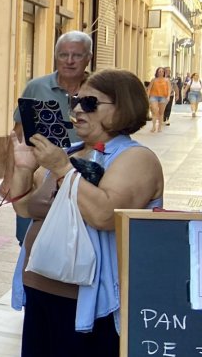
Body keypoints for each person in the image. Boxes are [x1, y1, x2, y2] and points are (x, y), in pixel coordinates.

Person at [9, 69, 164, 356]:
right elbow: (25, 207)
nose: (78, 109)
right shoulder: (72, 151)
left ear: (123, 108)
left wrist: (61, 169)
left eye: (91, 103)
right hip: (41, 286)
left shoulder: (136, 158)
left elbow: (105, 215)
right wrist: (23, 168)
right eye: (76, 101)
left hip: (89, 301)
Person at [0, 31, 90, 243]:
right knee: (29, 237)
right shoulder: (37, 87)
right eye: (63, 55)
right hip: (37, 176)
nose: (69, 61)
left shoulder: (98, 89)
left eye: (76, 55)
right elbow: (18, 135)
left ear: (88, 58)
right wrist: (9, 178)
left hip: (82, 177)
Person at [147, 67, 171, 133]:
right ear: (157, 72)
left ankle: (159, 127)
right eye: (159, 71)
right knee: (154, 111)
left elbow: (169, 89)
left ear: (164, 73)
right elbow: (149, 89)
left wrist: (168, 96)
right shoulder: (153, 80)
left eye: (162, 71)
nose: (160, 72)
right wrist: (147, 96)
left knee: (161, 112)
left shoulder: (167, 80)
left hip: (163, 97)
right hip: (153, 96)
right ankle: (153, 126)